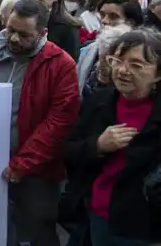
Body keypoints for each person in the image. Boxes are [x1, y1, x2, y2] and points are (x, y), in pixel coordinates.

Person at [0, 0, 79, 246]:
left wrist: (22, 164)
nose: (14, 39)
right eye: (10, 30)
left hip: (37, 171)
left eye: (24, 35)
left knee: (38, 232)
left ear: (42, 33)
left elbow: (58, 122)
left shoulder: (61, 65)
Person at [65, 29, 161, 244]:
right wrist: (97, 145)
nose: (123, 70)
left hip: (144, 226)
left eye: (136, 65)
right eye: (117, 61)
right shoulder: (99, 101)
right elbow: (69, 150)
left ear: (157, 74)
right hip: (97, 215)